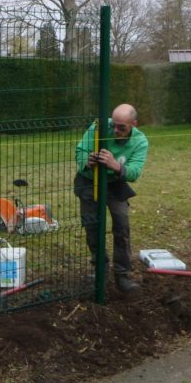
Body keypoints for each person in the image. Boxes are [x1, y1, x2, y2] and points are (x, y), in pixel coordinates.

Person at [74, 103, 149, 292]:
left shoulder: (140, 142)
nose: (115, 130)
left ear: (134, 124)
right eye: (113, 124)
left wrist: (115, 165)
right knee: (92, 225)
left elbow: (134, 172)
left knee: (122, 227)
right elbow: (80, 150)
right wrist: (88, 161)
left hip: (115, 185)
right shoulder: (99, 126)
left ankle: (122, 275)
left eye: (121, 127)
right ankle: (99, 268)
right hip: (89, 182)